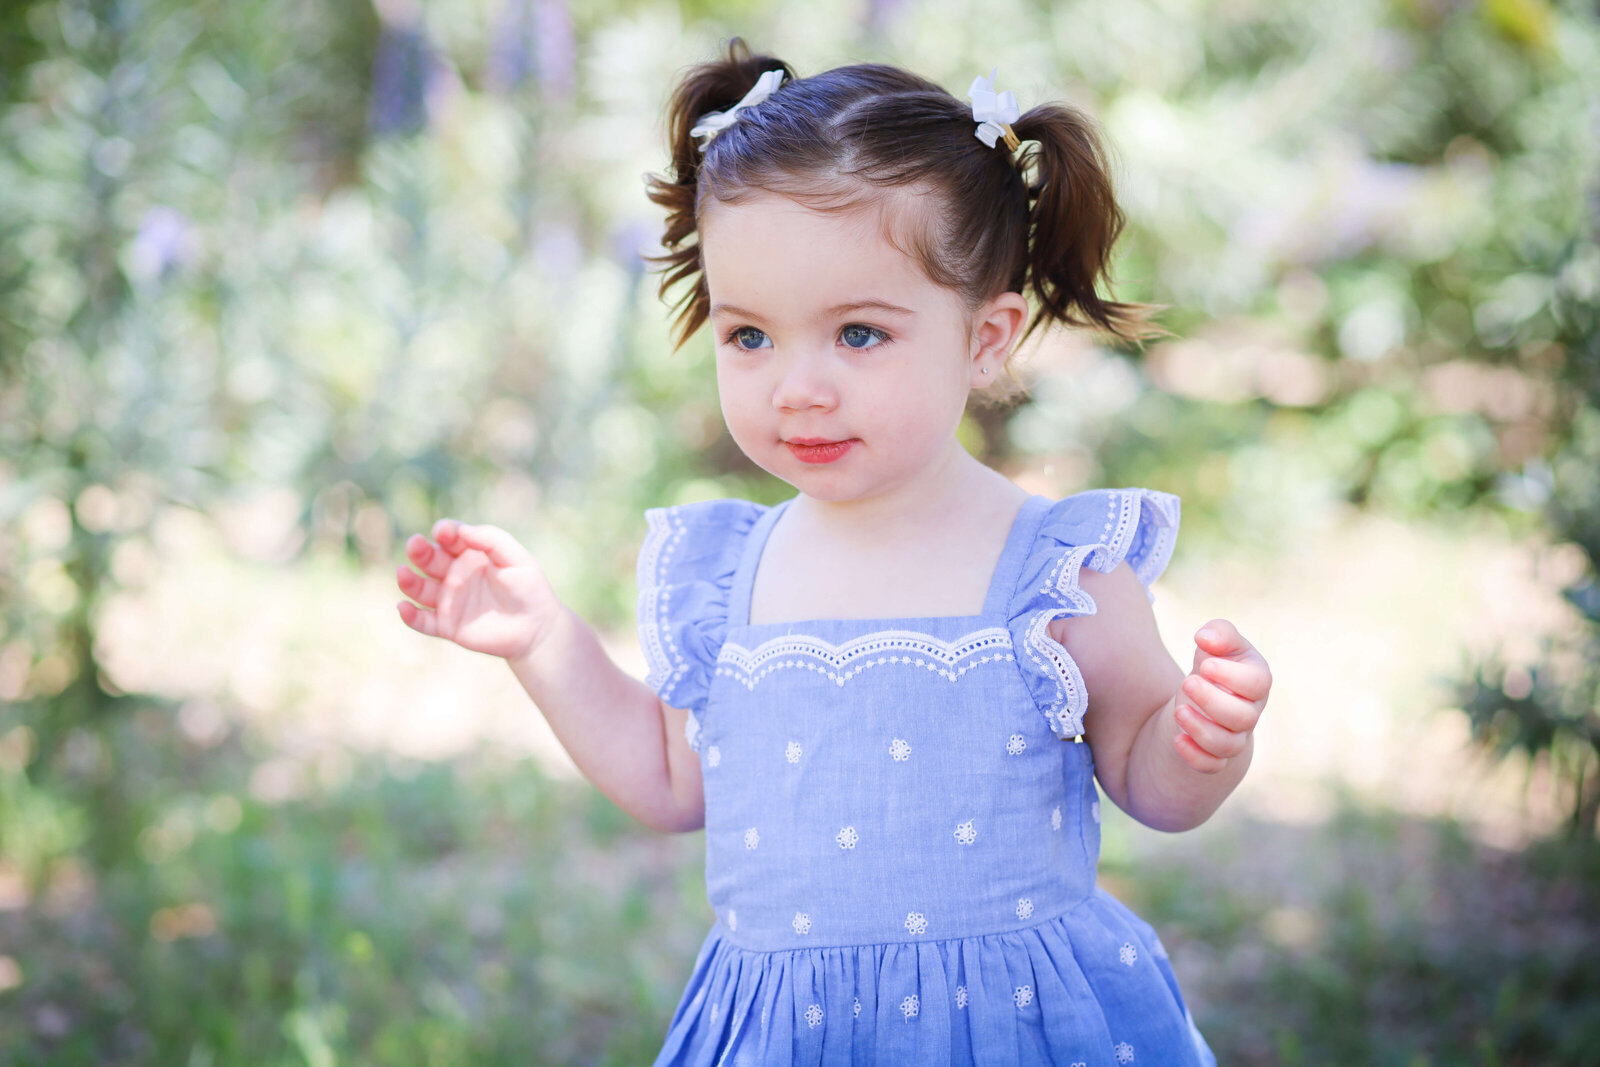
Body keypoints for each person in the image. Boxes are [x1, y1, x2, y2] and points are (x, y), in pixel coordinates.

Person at [396, 39, 1271, 1067]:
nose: (794, 385)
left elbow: (1149, 782)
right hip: (788, 1033)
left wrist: (1199, 737)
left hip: (1008, 1026)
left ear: (985, 338)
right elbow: (676, 779)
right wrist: (541, 638)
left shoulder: (1056, 570)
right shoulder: (731, 570)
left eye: (857, 334)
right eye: (750, 336)